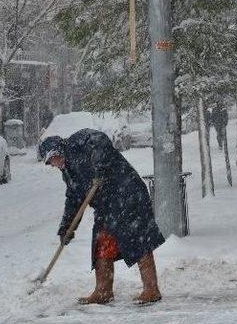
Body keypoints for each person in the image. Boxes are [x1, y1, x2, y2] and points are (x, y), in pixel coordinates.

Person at [39, 129, 165, 304]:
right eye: (50, 161)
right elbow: (74, 199)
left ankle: (151, 289)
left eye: (54, 157)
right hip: (106, 205)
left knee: (138, 240)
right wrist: (67, 228)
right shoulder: (68, 171)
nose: (54, 163)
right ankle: (103, 291)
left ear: (60, 149)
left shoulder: (77, 141)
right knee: (101, 243)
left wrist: (100, 166)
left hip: (127, 194)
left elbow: (101, 139)